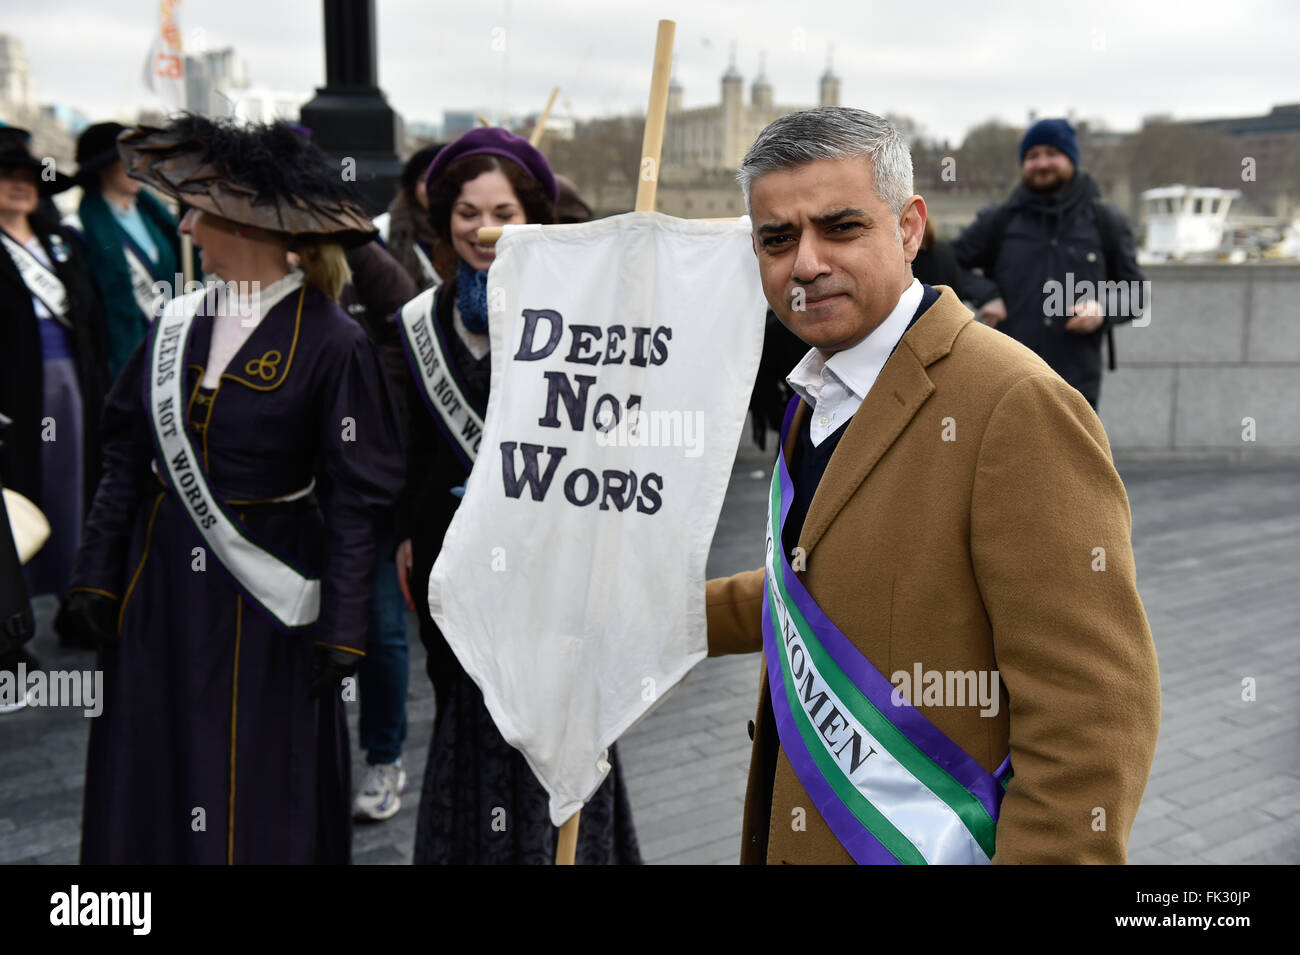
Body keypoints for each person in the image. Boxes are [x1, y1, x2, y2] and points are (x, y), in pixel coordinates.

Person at [706, 106, 1161, 864]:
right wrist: (672, 617)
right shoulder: (814, 391)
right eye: (776, 238)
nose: (805, 264)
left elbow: (1094, 714)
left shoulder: (1017, 405)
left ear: (911, 227)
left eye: (840, 227)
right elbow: (821, 580)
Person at [61, 115, 405, 864]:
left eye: (201, 208)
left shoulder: (333, 340)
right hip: (157, 591)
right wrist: (95, 574)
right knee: (152, 760)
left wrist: (346, 629)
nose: (184, 221)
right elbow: (123, 452)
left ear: (248, 222)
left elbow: (355, 501)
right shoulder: (173, 323)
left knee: (249, 770)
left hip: (267, 601)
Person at [397, 127, 640, 864]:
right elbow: (408, 455)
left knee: (556, 738)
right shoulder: (417, 325)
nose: (483, 228)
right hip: (459, 587)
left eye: (501, 209)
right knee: (470, 726)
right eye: (466, 212)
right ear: (444, 222)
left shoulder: (579, 319)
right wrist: (412, 535)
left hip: (557, 582)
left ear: (533, 216)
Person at [950, 118, 1145, 408]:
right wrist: (986, 294)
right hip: (1005, 376)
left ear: (1071, 159)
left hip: (1076, 384)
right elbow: (948, 263)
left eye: (1052, 154)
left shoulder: (1106, 221)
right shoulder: (999, 220)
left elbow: (1136, 294)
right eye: (1032, 156)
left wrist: (1103, 309)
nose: (1042, 163)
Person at [0, 127, 107, 622]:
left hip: (69, 381)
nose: (21, 185)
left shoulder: (61, 241)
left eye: (29, 177)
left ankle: (74, 598)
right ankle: (13, 615)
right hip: (12, 389)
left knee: (72, 485)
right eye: (7, 176)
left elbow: (90, 313)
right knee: (17, 494)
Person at [67, 121, 181, 381]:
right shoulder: (80, 229)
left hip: (167, 345)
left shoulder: (158, 219)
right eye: (127, 159)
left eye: (140, 158)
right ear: (102, 167)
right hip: (116, 356)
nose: (137, 167)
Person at [375, 143, 444, 292]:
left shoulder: (470, 231)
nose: (433, 187)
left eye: (441, 178)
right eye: (425, 179)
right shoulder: (382, 230)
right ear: (413, 186)